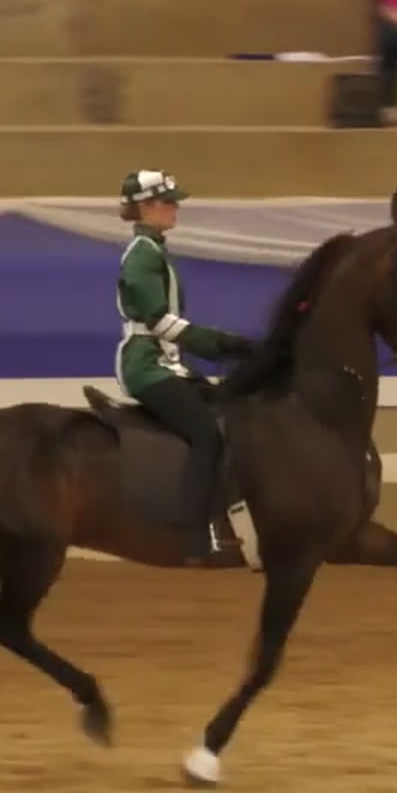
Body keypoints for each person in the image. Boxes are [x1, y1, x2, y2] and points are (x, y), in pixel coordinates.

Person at [114, 169, 255, 564]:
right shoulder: (142, 255)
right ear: (145, 207)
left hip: (166, 364)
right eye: (168, 201)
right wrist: (222, 345)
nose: (175, 208)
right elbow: (158, 320)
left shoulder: (155, 250)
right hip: (146, 367)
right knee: (206, 433)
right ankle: (194, 537)